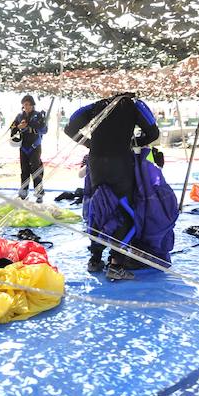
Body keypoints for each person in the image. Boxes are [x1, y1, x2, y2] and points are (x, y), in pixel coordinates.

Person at [64, 92, 160, 281]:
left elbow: (70, 128)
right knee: (123, 210)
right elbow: (153, 133)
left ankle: (95, 258)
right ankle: (116, 263)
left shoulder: (96, 106)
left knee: (99, 206)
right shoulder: (134, 105)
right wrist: (132, 143)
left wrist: (92, 144)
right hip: (120, 164)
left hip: (97, 164)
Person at [10, 95, 48, 203]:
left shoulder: (39, 115)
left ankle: (39, 193)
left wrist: (30, 124)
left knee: (36, 170)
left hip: (35, 146)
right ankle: (24, 191)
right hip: (23, 147)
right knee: (24, 170)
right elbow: (12, 129)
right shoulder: (19, 116)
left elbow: (44, 129)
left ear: (32, 104)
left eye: (27, 104)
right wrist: (18, 127)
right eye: (24, 104)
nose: (25, 106)